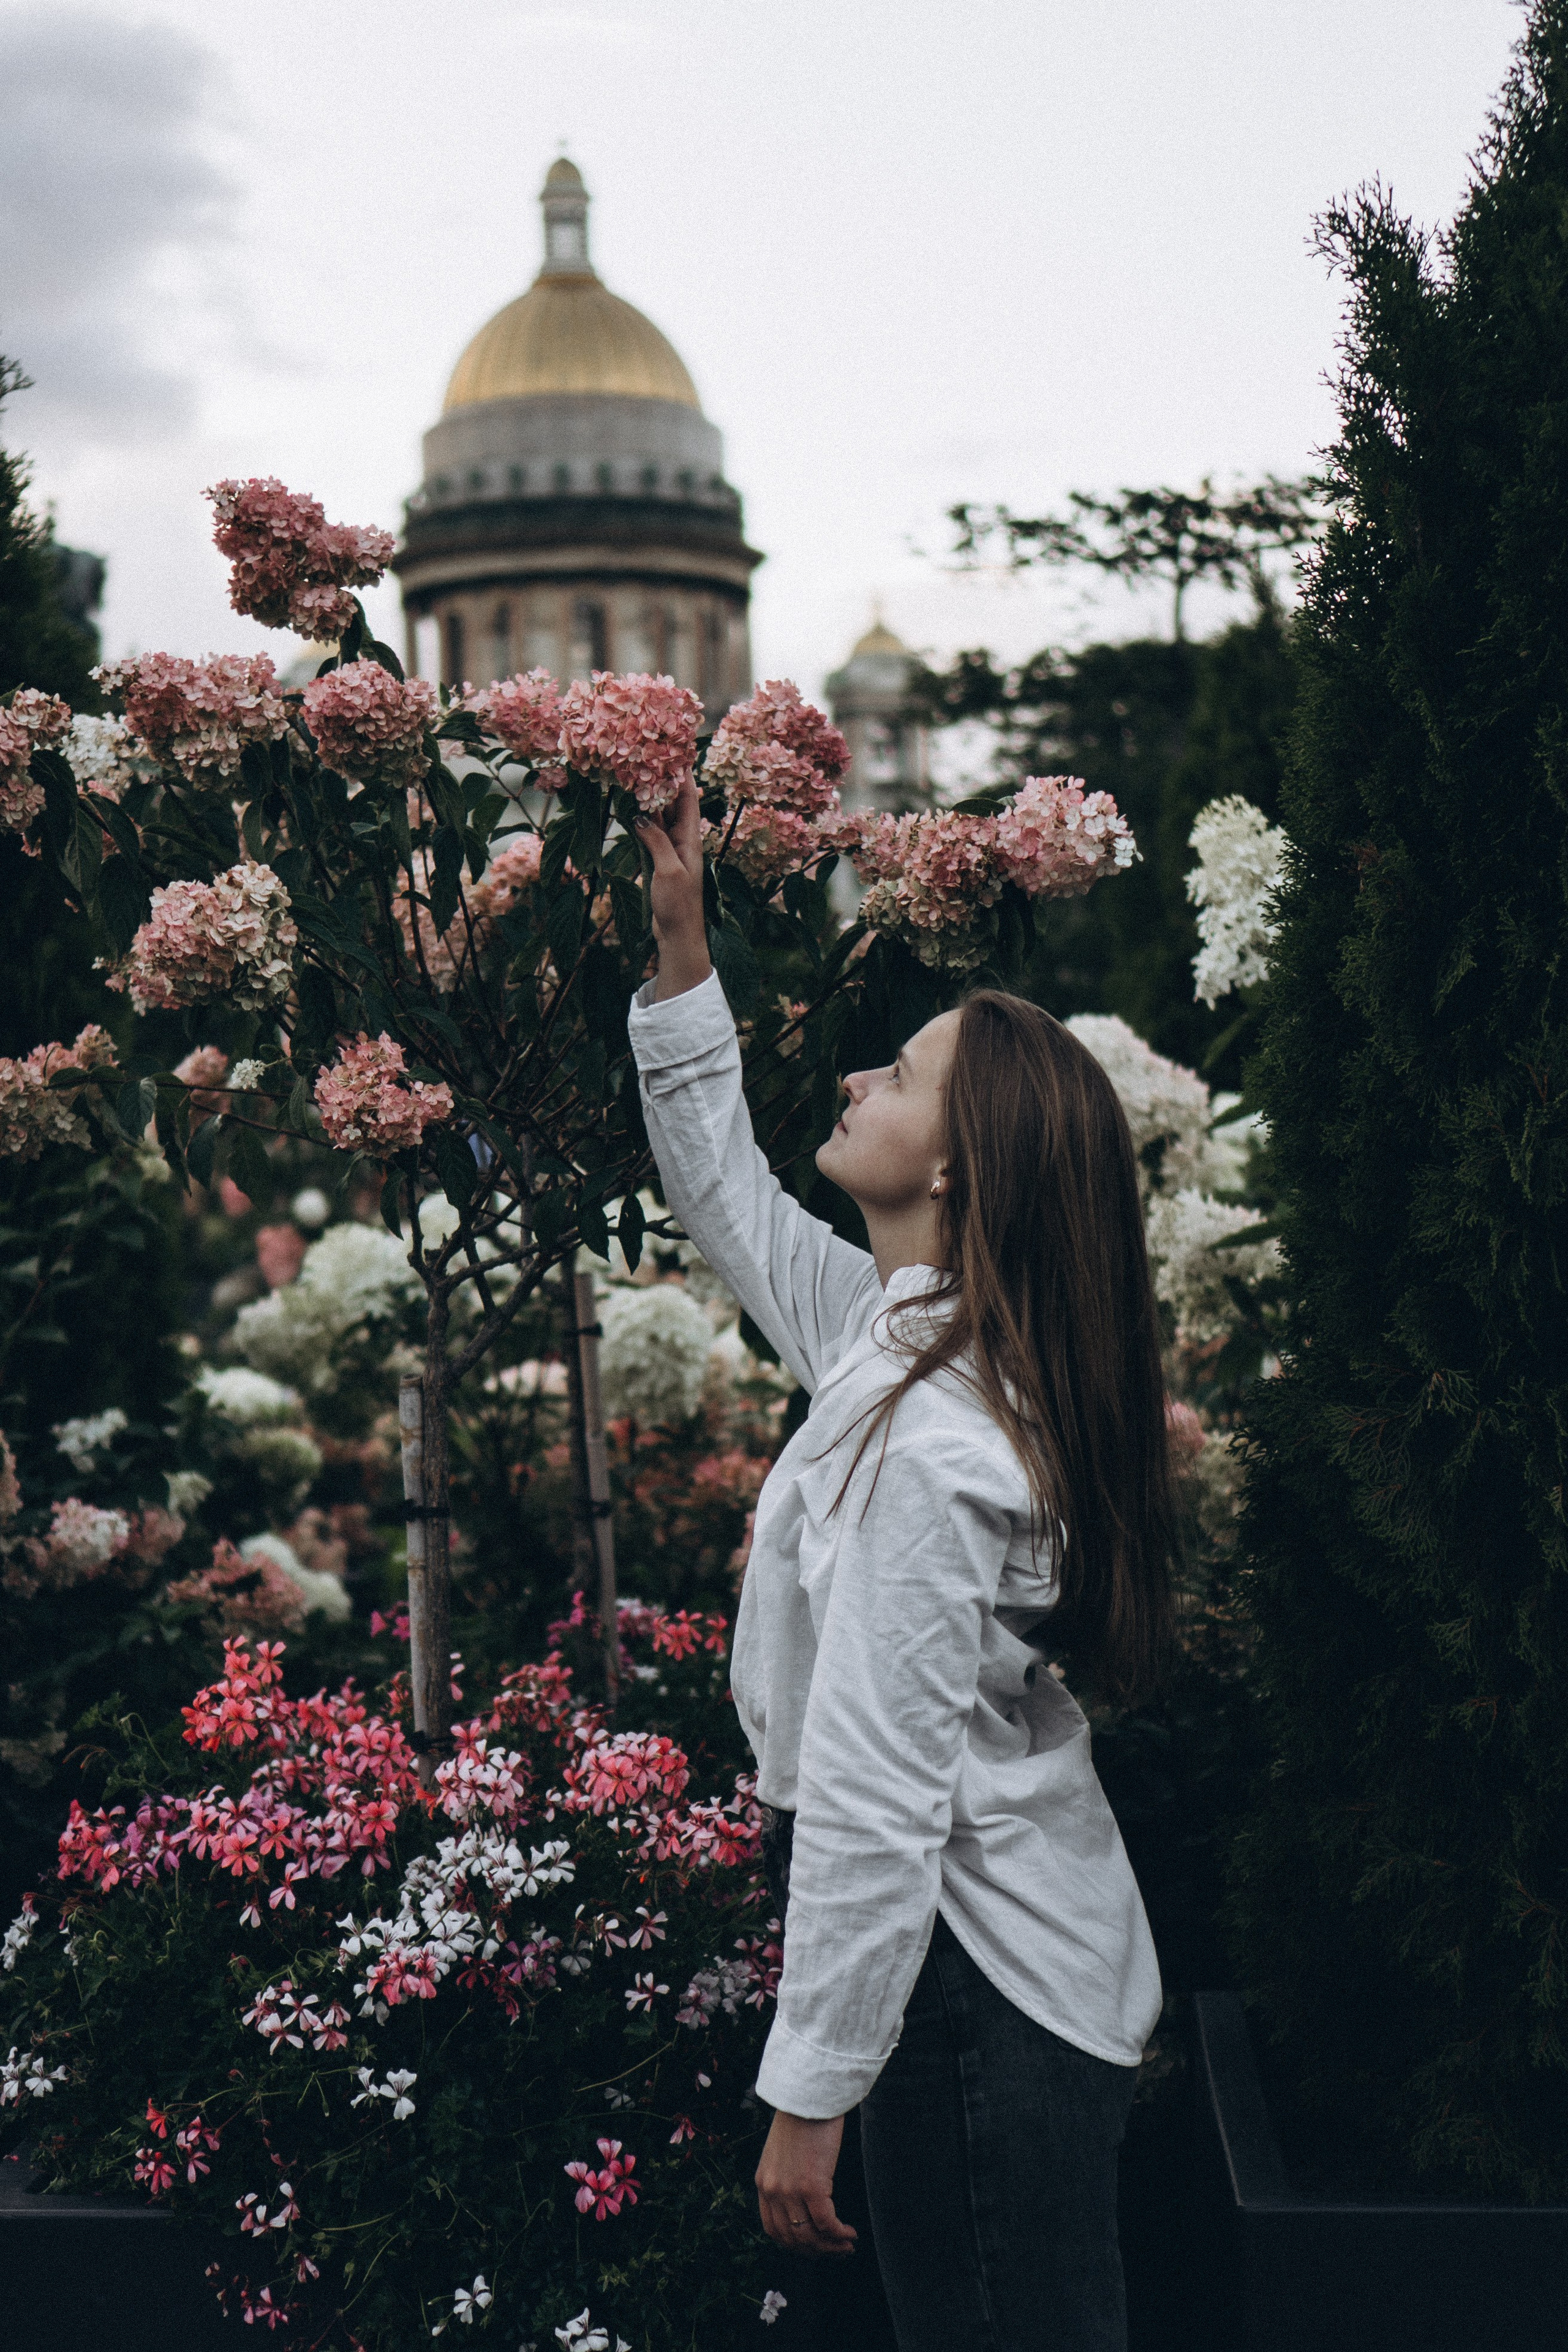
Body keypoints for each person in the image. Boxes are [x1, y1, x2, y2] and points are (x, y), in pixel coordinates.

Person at [629, 774, 1174, 2352]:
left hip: (977, 1999)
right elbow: (727, 1200)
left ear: (959, 1172)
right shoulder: (907, 1339)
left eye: (908, 1073)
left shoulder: (931, 1436)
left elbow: (877, 1788)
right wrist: (682, 943)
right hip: (992, 1989)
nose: (865, 1072)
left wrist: (812, 2089)